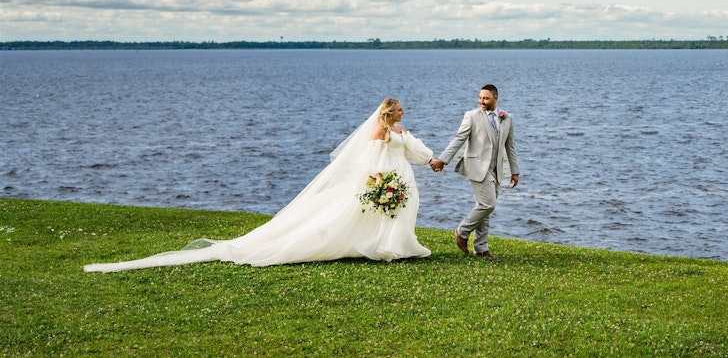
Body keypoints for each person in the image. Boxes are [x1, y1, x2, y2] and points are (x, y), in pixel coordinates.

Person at [84, 98, 434, 272]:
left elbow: (415, 150)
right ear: (389, 112)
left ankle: (399, 245)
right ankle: (386, 248)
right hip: (382, 178)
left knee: (398, 213)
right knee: (358, 216)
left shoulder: (399, 131)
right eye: (400, 109)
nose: (404, 111)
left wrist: (431, 158)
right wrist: (377, 180)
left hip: (400, 176)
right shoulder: (377, 130)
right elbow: (368, 160)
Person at [430, 84, 519, 257]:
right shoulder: (471, 116)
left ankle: (481, 248)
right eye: (480, 98)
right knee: (488, 204)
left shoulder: (507, 118)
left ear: (495, 98)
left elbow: (510, 146)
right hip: (477, 167)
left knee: (484, 208)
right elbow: (459, 139)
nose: (481, 101)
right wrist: (443, 160)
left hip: (497, 169)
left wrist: (515, 171)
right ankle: (462, 231)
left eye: (485, 98)